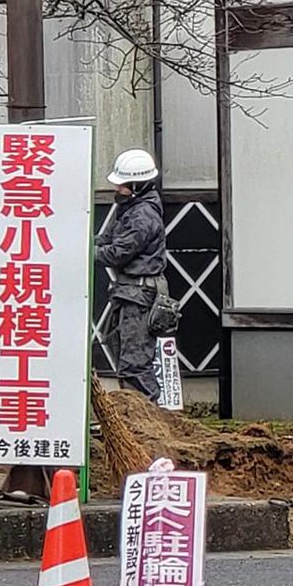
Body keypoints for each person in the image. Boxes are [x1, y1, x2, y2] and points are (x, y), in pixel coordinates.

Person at [94, 148, 176, 402]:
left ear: (137, 185)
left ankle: (146, 420)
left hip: (139, 296)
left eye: (122, 185)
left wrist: (82, 251)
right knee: (126, 355)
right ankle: (137, 418)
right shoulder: (130, 210)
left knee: (135, 364)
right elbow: (105, 241)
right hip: (131, 293)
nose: (118, 190)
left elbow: (117, 253)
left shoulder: (141, 216)